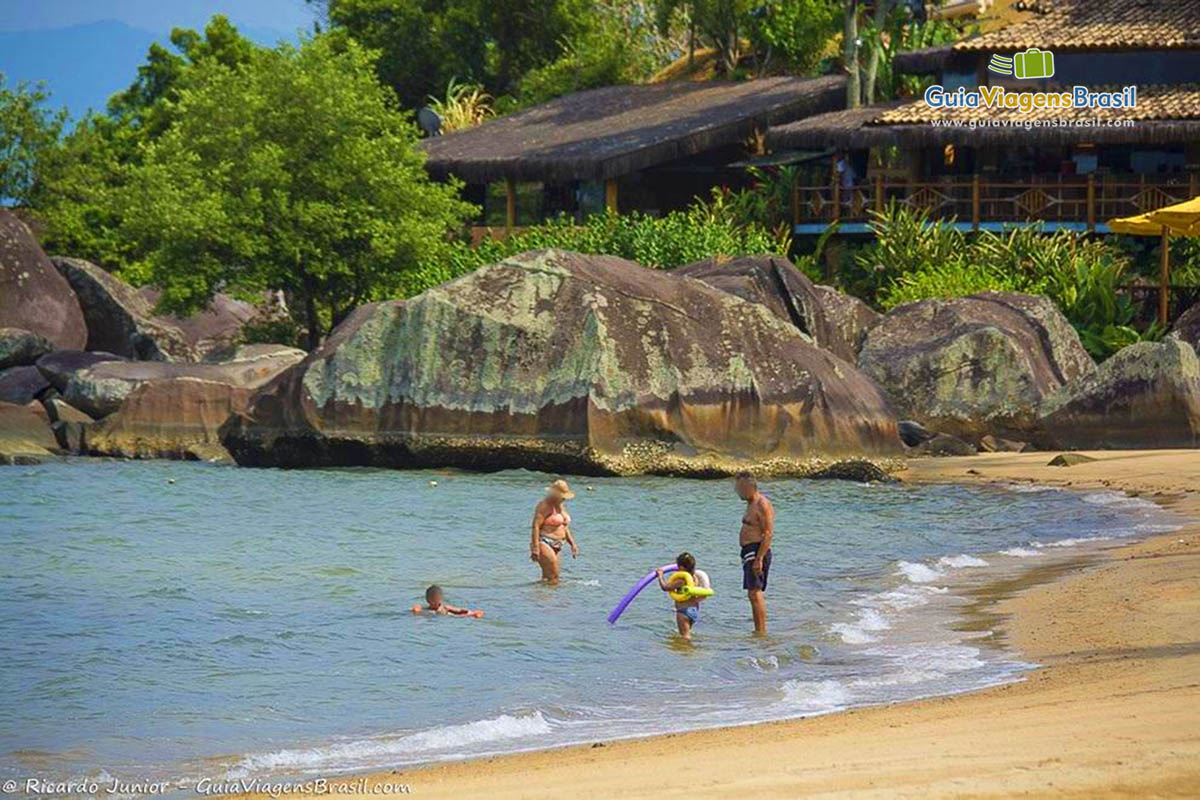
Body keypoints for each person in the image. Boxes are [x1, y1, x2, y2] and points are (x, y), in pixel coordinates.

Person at [736, 471, 774, 634]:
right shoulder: (750, 503)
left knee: (755, 592)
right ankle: (758, 630)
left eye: (739, 488)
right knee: (752, 593)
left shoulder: (762, 504)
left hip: (757, 551)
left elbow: (768, 533)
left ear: (749, 487)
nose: (737, 492)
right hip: (748, 551)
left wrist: (759, 558)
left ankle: (761, 632)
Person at [530, 479, 579, 583]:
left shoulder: (561, 506)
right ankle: (552, 598)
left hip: (558, 544)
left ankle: (541, 597)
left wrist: (572, 544)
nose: (564, 499)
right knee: (554, 577)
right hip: (545, 542)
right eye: (562, 496)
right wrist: (535, 548)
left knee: (547, 578)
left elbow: (564, 526)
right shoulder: (544, 505)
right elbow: (536, 526)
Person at [656, 552, 711, 640]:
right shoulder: (695, 578)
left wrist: (660, 576)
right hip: (694, 610)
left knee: (685, 637)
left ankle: (688, 652)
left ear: (681, 567)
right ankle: (688, 651)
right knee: (685, 635)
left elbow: (665, 587)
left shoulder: (682, 580)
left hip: (683, 611)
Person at [411, 585, 484, 618]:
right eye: (432, 600)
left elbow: (460, 611)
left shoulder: (445, 608)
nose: (434, 602)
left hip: (447, 616)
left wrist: (472, 613)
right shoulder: (424, 609)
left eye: (435, 600)